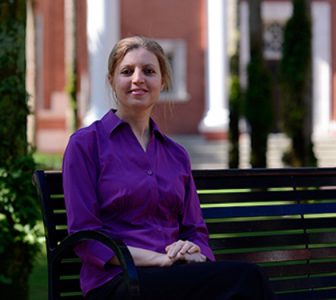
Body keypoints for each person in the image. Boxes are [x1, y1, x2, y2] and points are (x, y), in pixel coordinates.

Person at [62, 36, 275, 300]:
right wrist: (159, 259)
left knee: (243, 281)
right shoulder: (85, 145)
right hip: (117, 282)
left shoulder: (176, 154)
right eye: (127, 72)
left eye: (149, 71)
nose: (138, 79)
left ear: (162, 82)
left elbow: (195, 229)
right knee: (246, 279)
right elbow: (86, 236)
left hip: (175, 275)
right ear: (112, 81)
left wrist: (191, 249)